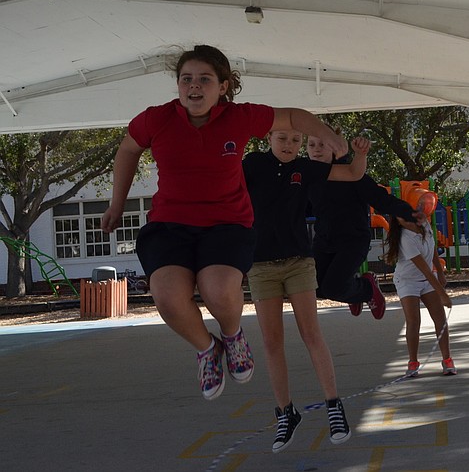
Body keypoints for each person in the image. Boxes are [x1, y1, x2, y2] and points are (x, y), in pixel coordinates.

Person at [100, 44, 347, 403]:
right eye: (186, 79)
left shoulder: (239, 117)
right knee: (167, 297)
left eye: (204, 79)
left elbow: (294, 117)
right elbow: (128, 149)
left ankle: (232, 336)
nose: (194, 86)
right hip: (170, 224)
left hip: (226, 224)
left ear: (223, 86)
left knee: (217, 289)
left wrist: (329, 136)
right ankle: (207, 348)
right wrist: (116, 204)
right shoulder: (157, 119)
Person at [242, 130, 369, 452]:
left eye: (295, 140)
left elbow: (353, 173)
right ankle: (286, 412)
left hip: (298, 262)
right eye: (282, 138)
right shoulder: (253, 164)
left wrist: (360, 153)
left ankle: (333, 405)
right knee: (272, 342)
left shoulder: (305, 168)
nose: (289, 145)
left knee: (311, 334)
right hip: (261, 266)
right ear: (269, 138)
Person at [305, 132, 419, 319]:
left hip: (353, 240)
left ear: (334, 148)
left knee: (333, 288)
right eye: (311, 145)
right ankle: (354, 291)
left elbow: (379, 198)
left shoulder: (351, 173)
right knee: (315, 287)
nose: (316, 149)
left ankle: (367, 288)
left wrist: (409, 212)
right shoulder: (309, 177)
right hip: (324, 241)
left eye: (322, 145)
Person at [384, 212, 457, 377]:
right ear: (399, 222)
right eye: (402, 217)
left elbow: (433, 250)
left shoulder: (425, 226)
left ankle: (447, 360)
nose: (408, 220)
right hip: (407, 281)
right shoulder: (405, 238)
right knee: (413, 321)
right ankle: (413, 362)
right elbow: (424, 268)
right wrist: (443, 294)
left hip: (427, 279)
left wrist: (441, 272)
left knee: (440, 318)